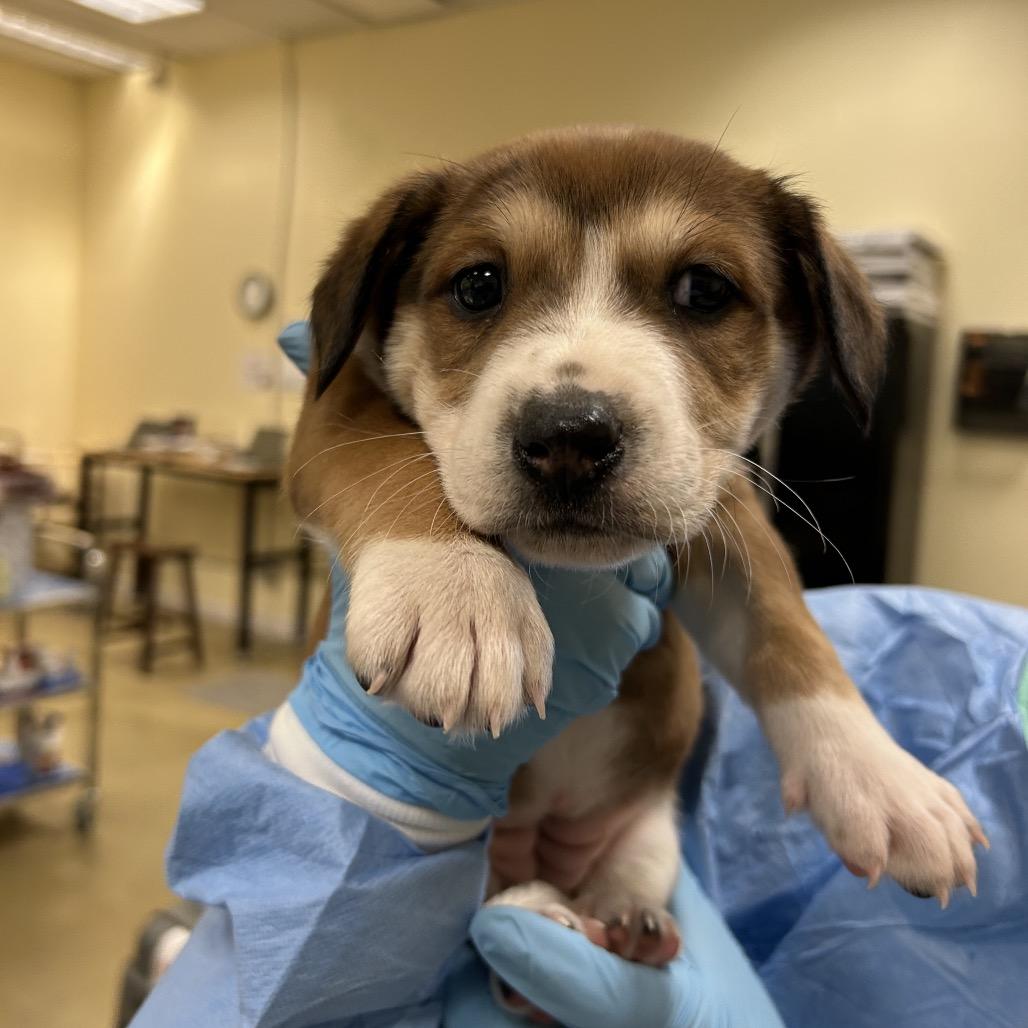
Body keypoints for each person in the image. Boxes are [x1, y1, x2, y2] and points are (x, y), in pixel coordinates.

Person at [132, 325, 1028, 1027]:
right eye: (481, 286)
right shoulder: (379, 377)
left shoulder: (943, 653)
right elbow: (335, 440)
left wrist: (834, 730)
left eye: (702, 292)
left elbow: (743, 573)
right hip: (435, 849)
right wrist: (412, 529)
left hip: (622, 823)